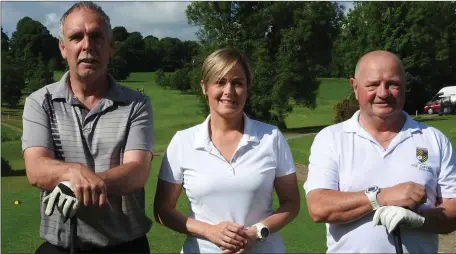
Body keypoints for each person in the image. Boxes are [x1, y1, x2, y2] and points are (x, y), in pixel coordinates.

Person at [22, 1, 154, 253]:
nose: (87, 45)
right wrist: (75, 171)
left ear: (111, 46)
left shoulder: (136, 103)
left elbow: (137, 172)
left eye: (96, 36)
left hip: (125, 246)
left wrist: (74, 184)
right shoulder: (40, 102)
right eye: (76, 37)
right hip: (61, 247)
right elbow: (36, 169)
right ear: (63, 48)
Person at [304, 50, 456, 253]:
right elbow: (319, 207)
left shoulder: (433, 139)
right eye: (373, 85)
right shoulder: (331, 138)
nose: (383, 93)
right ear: (355, 87)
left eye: (392, 84)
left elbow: (453, 210)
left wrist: (419, 219)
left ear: (404, 86)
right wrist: (380, 197)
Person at [153, 48, 300, 253]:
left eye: (238, 83)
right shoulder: (183, 141)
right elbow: (162, 210)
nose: (229, 92)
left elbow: (291, 203)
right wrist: (210, 231)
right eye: (220, 82)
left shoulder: (271, 137)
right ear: (204, 87)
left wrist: (256, 233)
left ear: (248, 87)